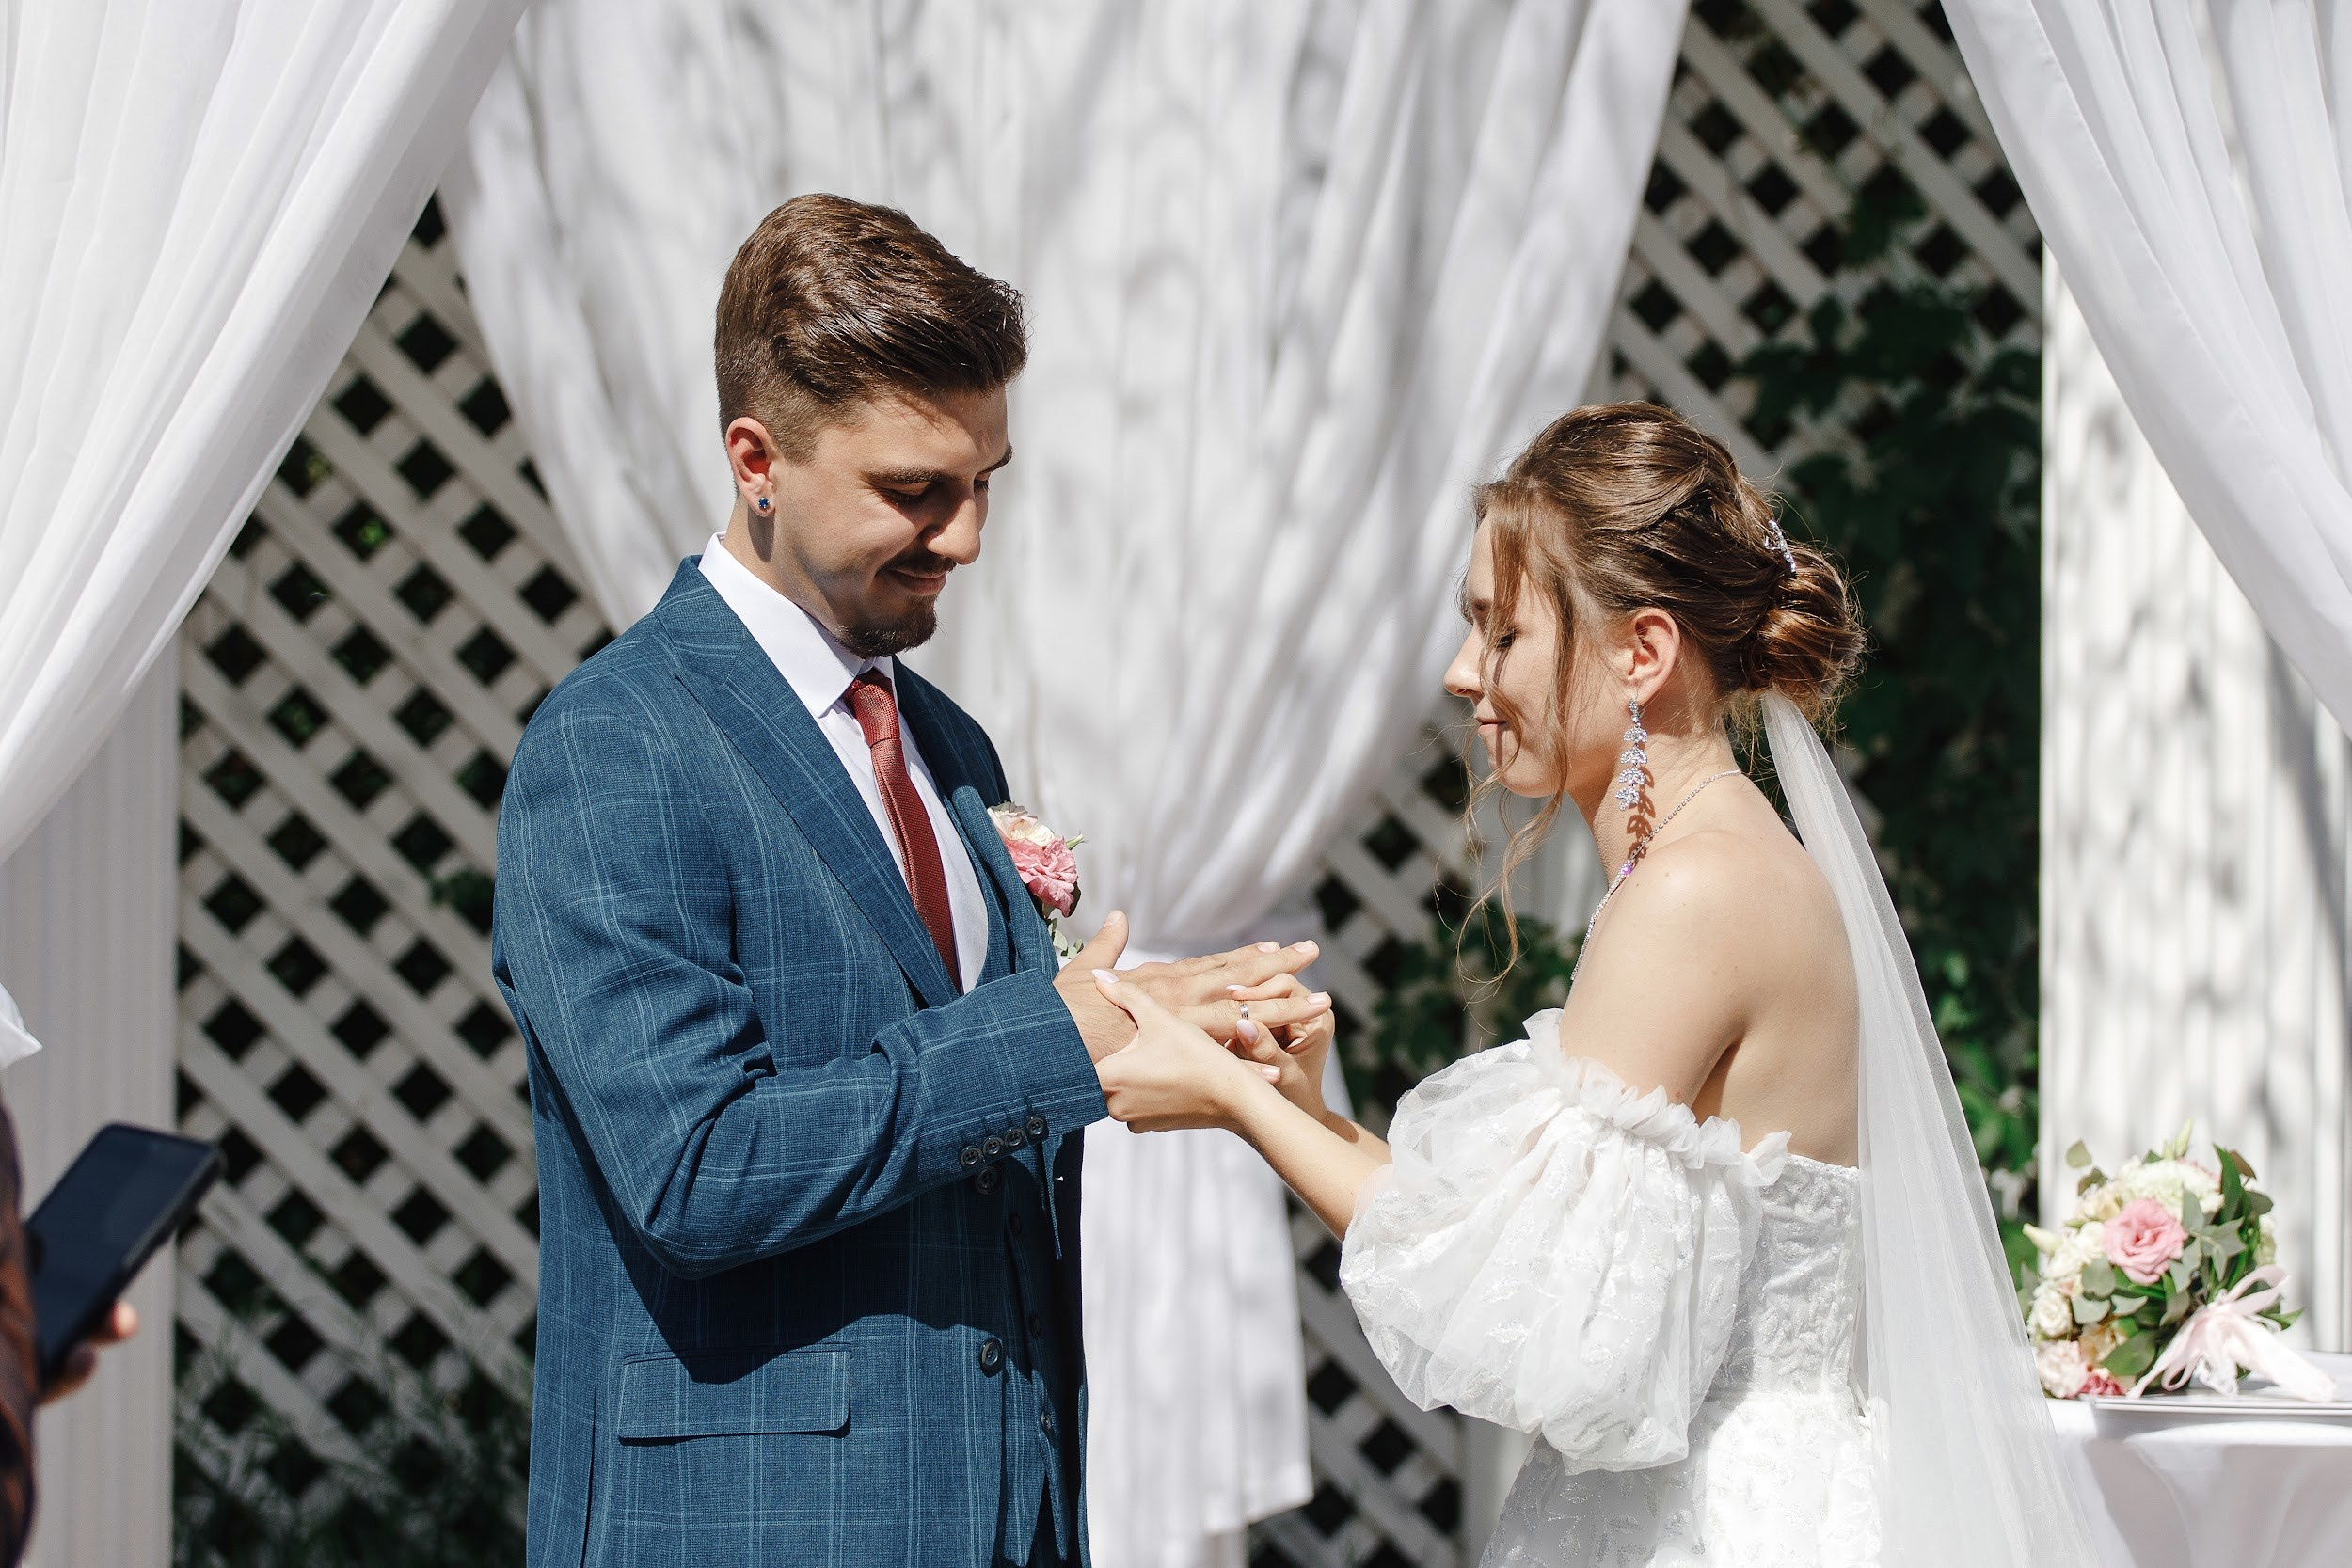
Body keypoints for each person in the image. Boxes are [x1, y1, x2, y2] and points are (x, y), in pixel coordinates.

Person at [1087, 404, 2095, 1566]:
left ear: (1642, 652)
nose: (1465, 674)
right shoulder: (1702, 864)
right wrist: (1305, 1108)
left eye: (1500, 632)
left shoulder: (1692, 893)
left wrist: (1231, 1098)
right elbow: (1507, 1230)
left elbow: (1535, 1324)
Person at [491, 195, 1328, 1568]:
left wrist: (1135, 1045)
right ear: (756, 459)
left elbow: (972, 1134)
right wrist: (1052, 1035)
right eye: (915, 490)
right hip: (748, 1528)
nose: (967, 536)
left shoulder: (948, 744)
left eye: (985, 479)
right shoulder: (614, 746)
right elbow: (698, 1168)